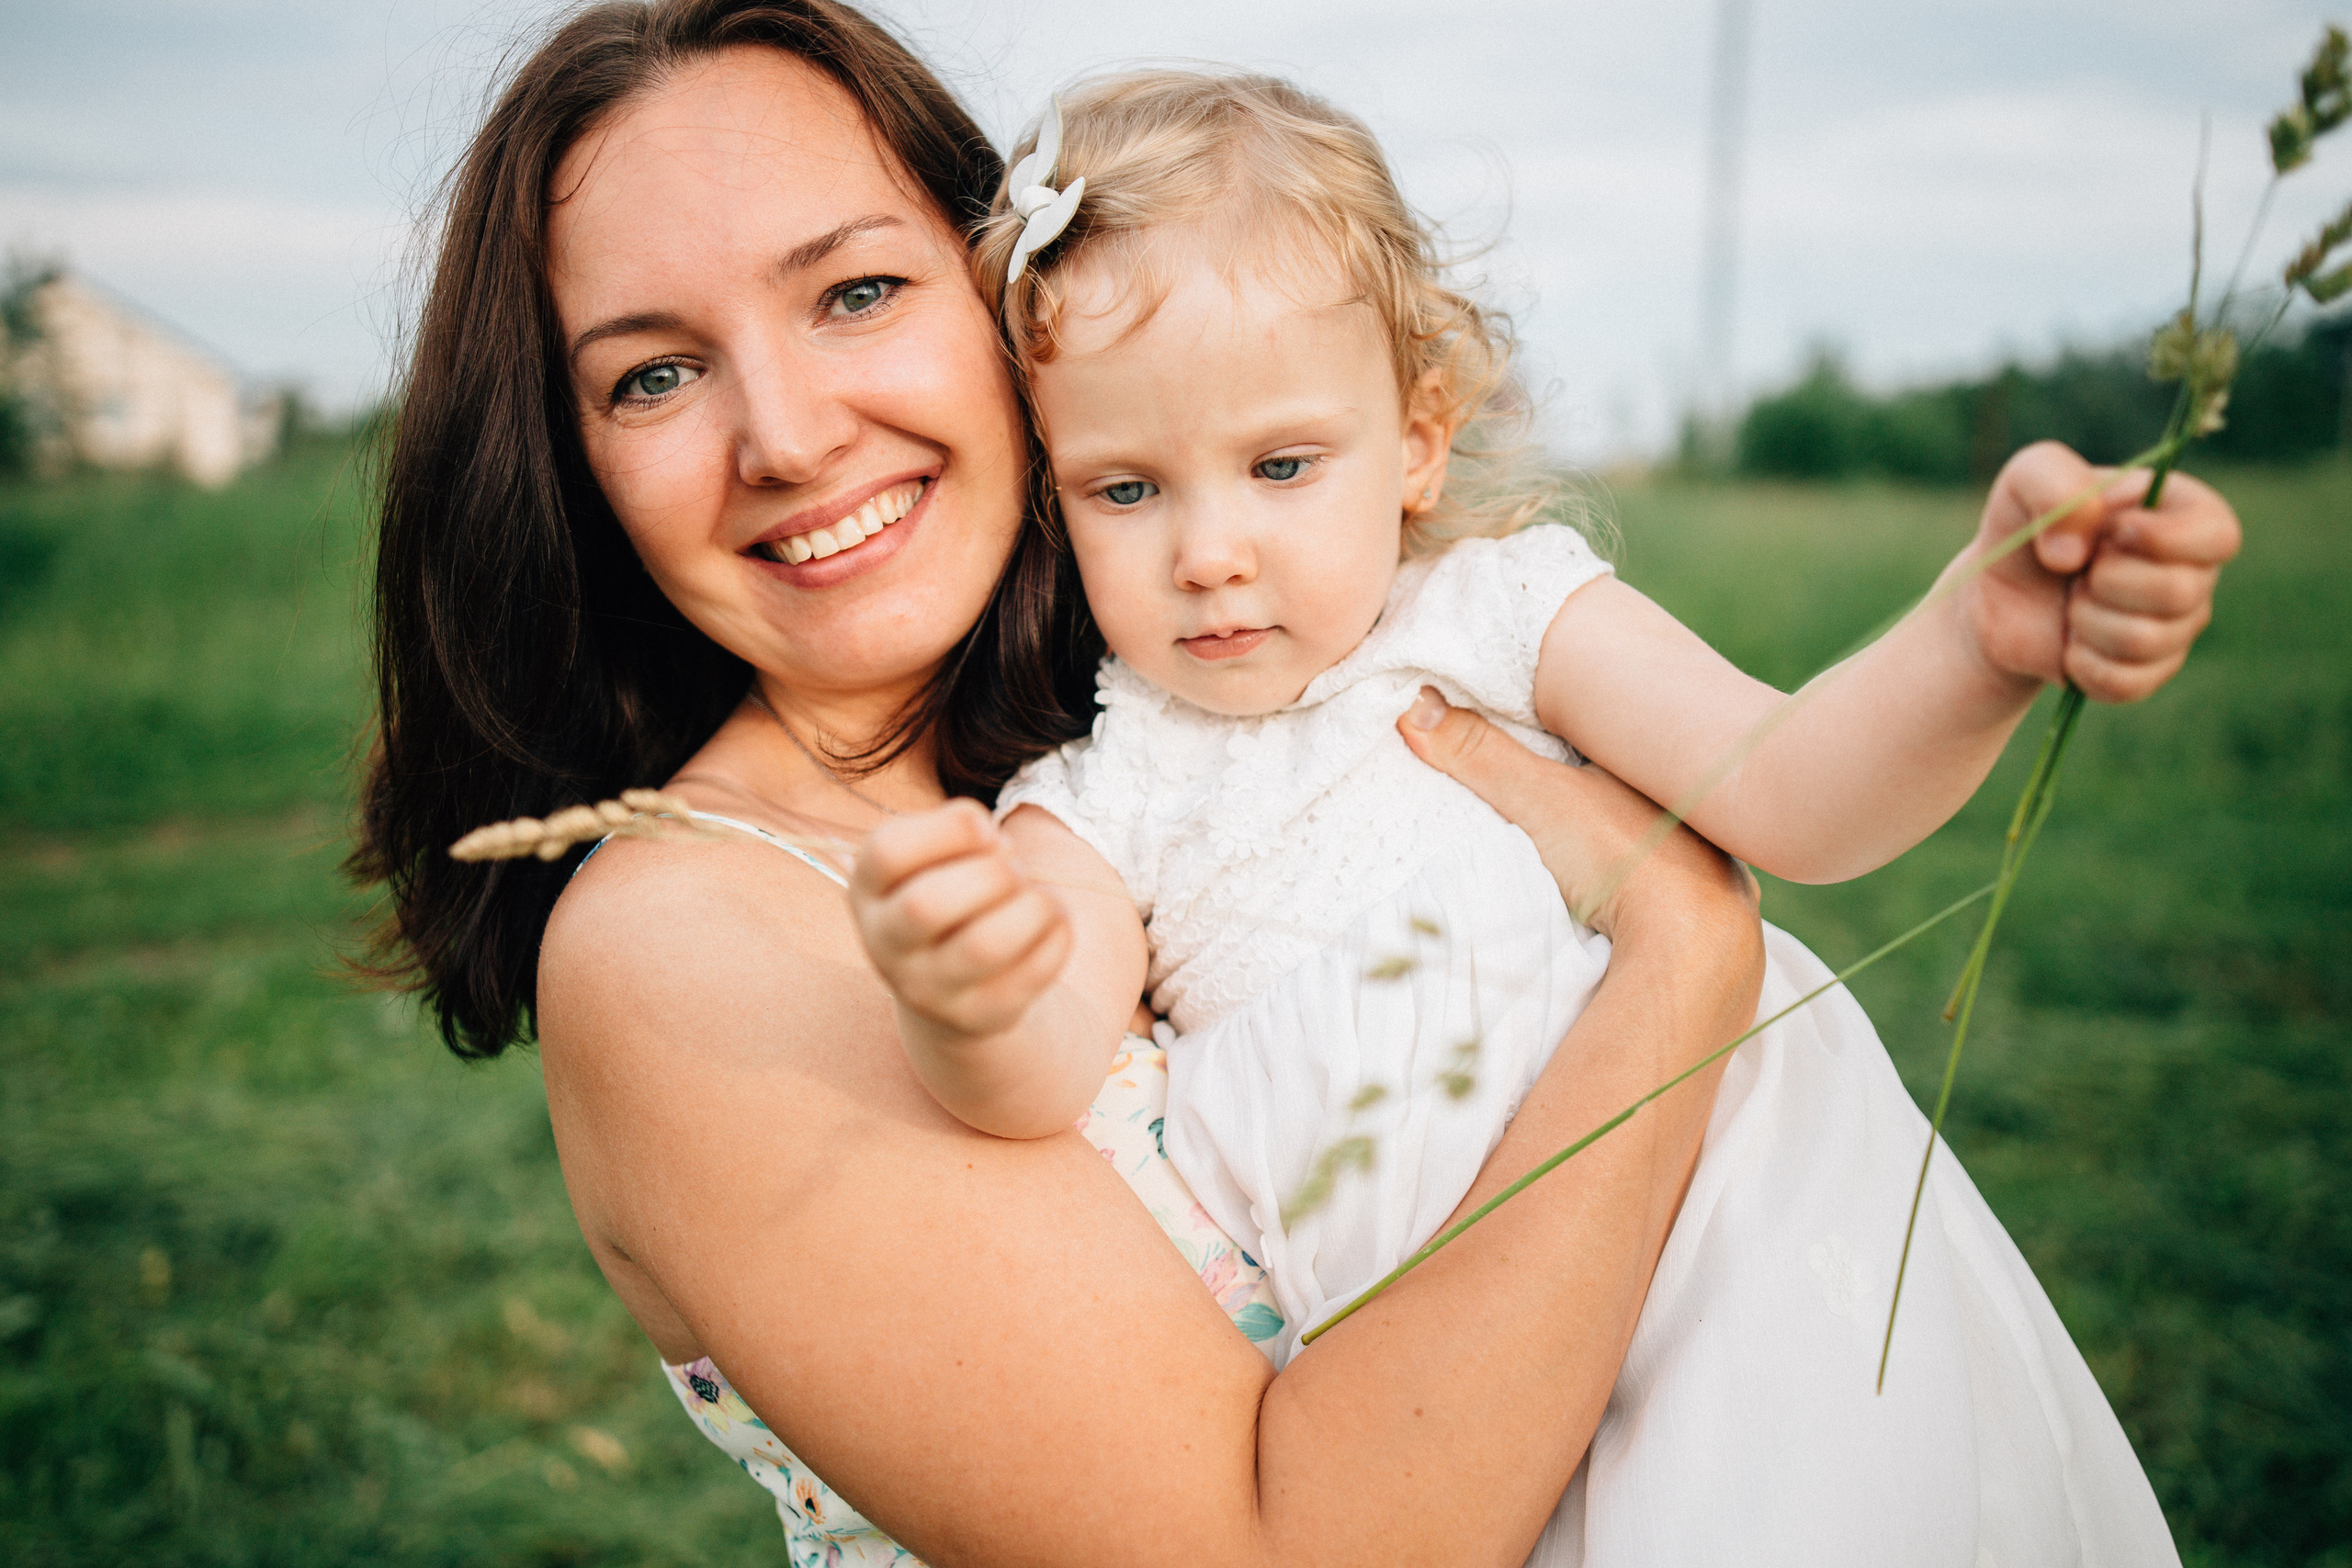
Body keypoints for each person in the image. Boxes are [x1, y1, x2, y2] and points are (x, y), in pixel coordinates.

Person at [355, 3, 1791, 1563]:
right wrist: (1683, 968)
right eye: (653, 377)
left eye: (855, 291)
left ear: (1023, 315)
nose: (785, 433)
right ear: (569, 468)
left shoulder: (1179, 734)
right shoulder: (691, 950)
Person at [842, 73, 2239, 1564]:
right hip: (1455, 1396)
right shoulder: (1115, 776)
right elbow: (1044, 1051)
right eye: (1127, 489)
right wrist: (967, 988)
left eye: (1283, 466)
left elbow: (1789, 785)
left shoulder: (1501, 616)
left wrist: (1979, 643)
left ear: (1420, 439)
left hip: (1725, 1248)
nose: (1209, 553)